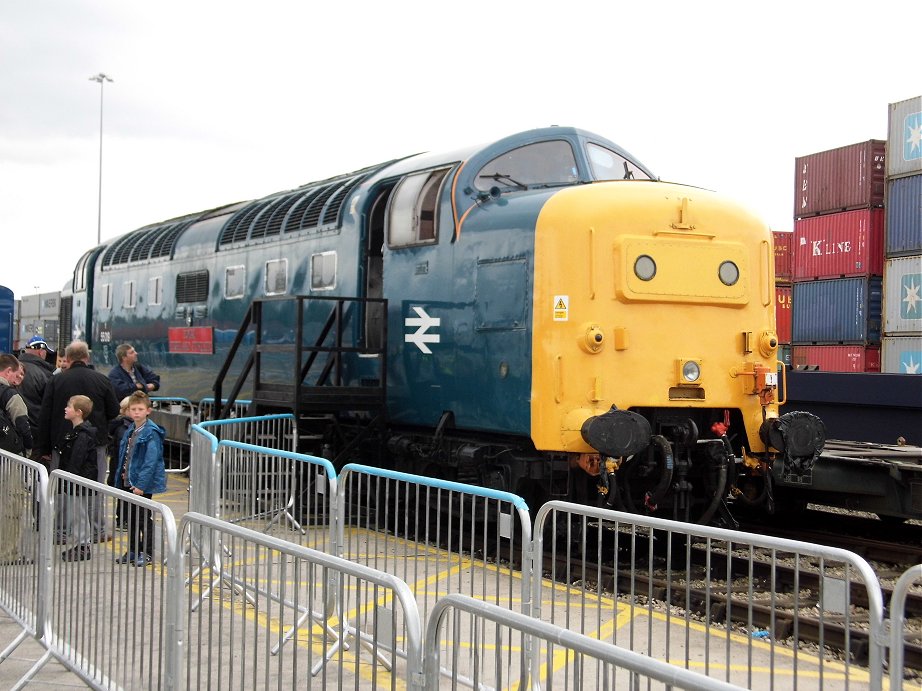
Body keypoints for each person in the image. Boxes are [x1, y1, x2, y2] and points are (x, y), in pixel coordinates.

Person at [37, 341, 120, 542]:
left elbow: (45, 415)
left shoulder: (56, 381)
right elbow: (114, 411)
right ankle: (97, 531)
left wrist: (44, 448)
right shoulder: (101, 380)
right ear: (86, 357)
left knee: (63, 487)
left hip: (61, 443)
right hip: (95, 442)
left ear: (68, 358)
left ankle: (61, 532)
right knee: (95, 487)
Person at [114, 391, 166, 567]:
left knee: (144, 518)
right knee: (132, 518)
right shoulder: (131, 430)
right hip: (129, 481)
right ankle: (134, 549)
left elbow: (151, 461)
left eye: (140, 409)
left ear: (148, 411)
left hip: (141, 485)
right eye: (133, 409)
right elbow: (126, 456)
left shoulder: (151, 432)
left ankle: (148, 552)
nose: (136, 412)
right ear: (128, 411)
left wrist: (141, 485)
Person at [0, 355, 33, 565]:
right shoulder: (8, 394)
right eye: (17, 374)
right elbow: (22, 423)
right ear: (8, 371)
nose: (19, 379)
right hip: (7, 459)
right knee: (10, 507)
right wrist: (28, 450)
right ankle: (7, 553)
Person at [57, 395, 99, 562]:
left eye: (69, 406)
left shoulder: (83, 434)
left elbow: (77, 459)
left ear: (79, 412)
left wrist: (69, 479)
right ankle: (79, 543)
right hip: (75, 479)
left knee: (79, 513)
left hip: (78, 480)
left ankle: (83, 545)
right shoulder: (77, 432)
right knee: (75, 513)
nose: (66, 409)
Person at [18, 336, 55, 459]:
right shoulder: (45, 375)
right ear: (42, 352)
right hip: (36, 432)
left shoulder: (14, 369)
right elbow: (50, 407)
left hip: (15, 430)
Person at [107, 396, 133, 529]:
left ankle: (122, 519)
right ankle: (123, 520)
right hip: (123, 467)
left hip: (120, 466)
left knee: (125, 494)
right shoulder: (124, 428)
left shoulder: (122, 426)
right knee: (125, 494)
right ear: (126, 410)